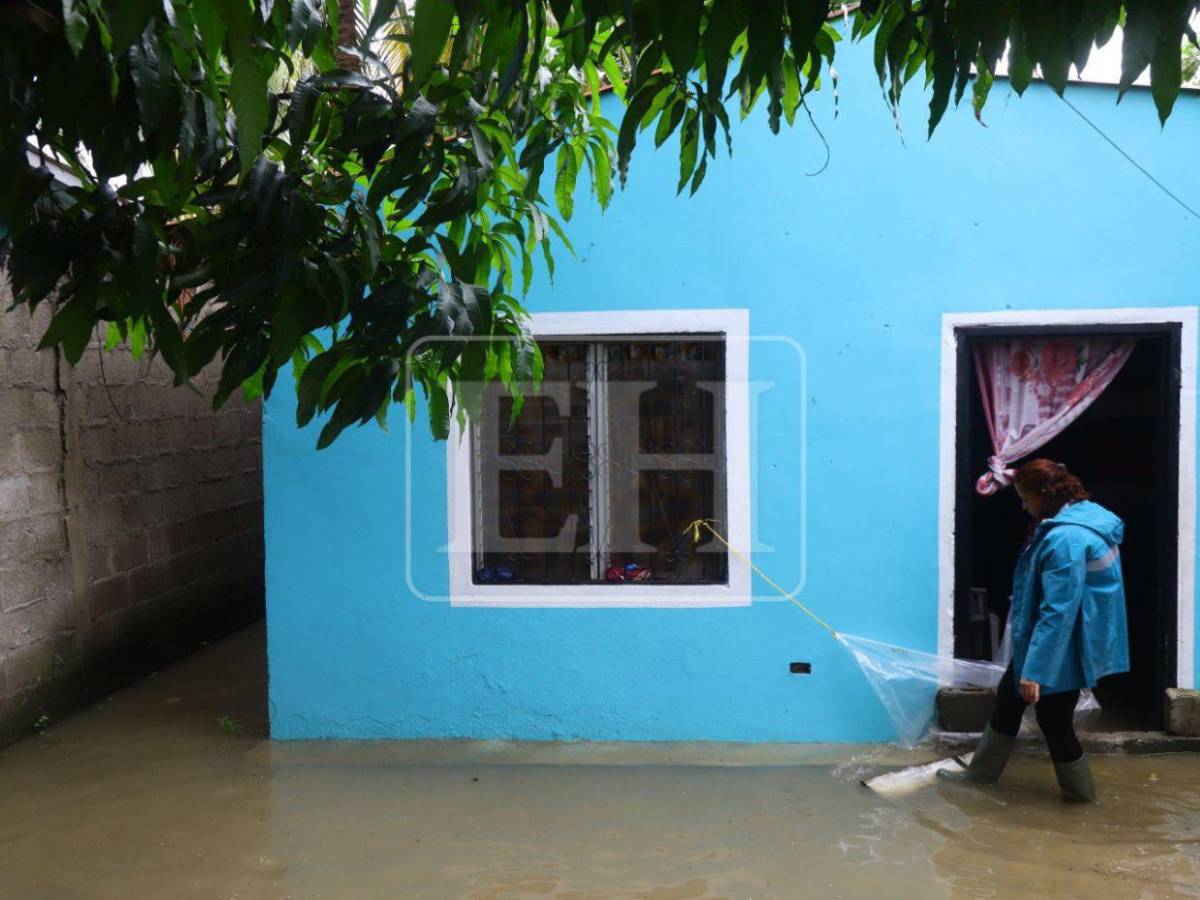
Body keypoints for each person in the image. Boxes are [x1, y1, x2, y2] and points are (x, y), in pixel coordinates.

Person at [939, 459, 1129, 802]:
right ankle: (980, 777)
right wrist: (1018, 477)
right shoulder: (1083, 514)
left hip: (1060, 647)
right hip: (1054, 642)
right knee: (1009, 701)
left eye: (1025, 498)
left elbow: (1058, 610)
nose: (1023, 506)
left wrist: (1036, 671)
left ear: (1044, 495)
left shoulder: (1065, 540)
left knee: (1054, 721)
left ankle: (1081, 799)